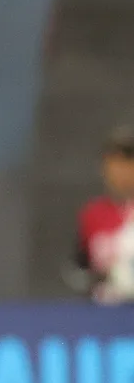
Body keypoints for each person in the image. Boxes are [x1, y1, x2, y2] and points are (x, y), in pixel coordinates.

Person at [73, 125, 134, 304]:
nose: (120, 172)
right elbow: (79, 268)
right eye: (113, 164)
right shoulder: (93, 214)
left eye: (127, 163)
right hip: (105, 314)